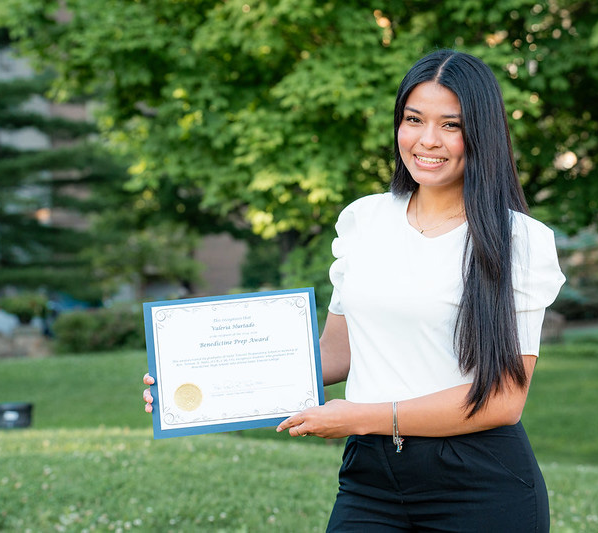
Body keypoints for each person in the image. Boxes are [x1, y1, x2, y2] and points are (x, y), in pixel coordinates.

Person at [144, 49, 565, 532]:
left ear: (482, 134)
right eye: (413, 119)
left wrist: (364, 416)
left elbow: (503, 399)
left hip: (481, 485)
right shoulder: (364, 220)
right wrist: (195, 381)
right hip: (371, 481)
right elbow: (336, 352)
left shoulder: (519, 241)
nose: (428, 140)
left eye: (451, 125)